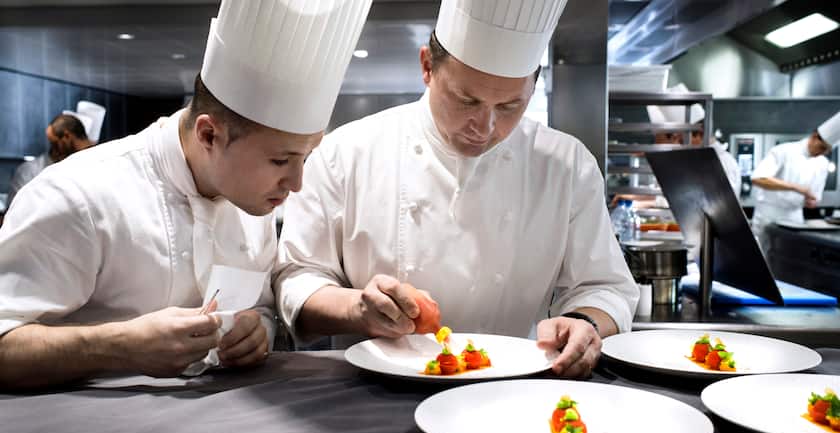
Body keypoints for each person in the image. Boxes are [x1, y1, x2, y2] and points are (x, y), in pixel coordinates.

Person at [0, 0, 372, 390]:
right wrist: (118, 346)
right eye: (281, 160)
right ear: (209, 135)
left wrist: (258, 327)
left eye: (305, 158)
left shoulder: (254, 201)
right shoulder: (76, 196)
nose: (296, 184)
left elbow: (258, 304)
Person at [277, 0, 639, 379]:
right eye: (467, 101)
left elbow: (604, 287)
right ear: (427, 68)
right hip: (373, 392)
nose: (483, 128)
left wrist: (586, 323)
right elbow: (297, 276)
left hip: (516, 387)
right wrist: (356, 309)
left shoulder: (567, 164)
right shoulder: (346, 152)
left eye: (511, 105)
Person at [615, 84, 741, 209]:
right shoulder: (698, 163)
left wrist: (638, 202)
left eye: (682, 140)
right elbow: (673, 194)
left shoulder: (724, 163)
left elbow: (711, 207)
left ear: (699, 133)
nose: (681, 146)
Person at [751, 110, 840, 253]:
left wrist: (811, 201)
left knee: (790, 263)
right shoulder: (783, 151)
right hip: (769, 216)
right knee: (761, 262)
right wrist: (796, 188)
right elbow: (758, 178)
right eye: (822, 148)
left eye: (827, 151)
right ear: (815, 136)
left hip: (795, 218)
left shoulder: (822, 163)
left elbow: (814, 197)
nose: (822, 153)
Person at [7, 113, 95, 206]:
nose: (55, 150)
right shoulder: (30, 171)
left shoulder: (91, 165)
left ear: (67, 137)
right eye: (53, 144)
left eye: (55, 144)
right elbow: (14, 210)